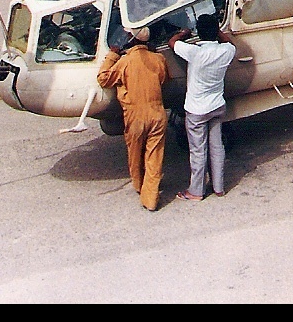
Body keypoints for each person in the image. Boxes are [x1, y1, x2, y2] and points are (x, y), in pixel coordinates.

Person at [96, 26, 170, 211]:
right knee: (155, 156)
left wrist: (112, 55)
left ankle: (139, 186)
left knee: (135, 155)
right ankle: (151, 198)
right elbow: (165, 78)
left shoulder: (125, 62)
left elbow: (103, 78)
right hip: (157, 113)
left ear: (131, 38)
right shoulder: (158, 59)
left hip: (135, 115)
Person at [170, 14, 236, 201]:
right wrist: (217, 32)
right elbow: (228, 41)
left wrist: (184, 32)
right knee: (217, 146)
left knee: (198, 151)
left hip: (197, 109)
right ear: (216, 31)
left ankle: (196, 191)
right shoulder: (226, 51)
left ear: (199, 32)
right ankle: (219, 187)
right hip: (217, 105)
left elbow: (172, 42)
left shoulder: (194, 52)